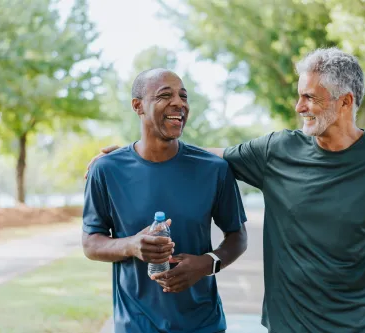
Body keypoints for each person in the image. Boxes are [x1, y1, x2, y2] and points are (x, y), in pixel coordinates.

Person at [86, 48, 365, 333]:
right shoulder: (277, 151)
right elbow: (204, 157)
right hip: (288, 326)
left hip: (363, 325)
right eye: (299, 96)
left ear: (345, 103)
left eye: (309, 97)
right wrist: (130, 152)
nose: (299, 107)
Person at [82, 68, 248, 333]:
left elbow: (237, 237)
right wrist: (132, 245)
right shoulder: (106, 170)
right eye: (165, 95)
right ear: (138, 106)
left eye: (183, 96)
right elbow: (91, 243)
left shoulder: (214, 169)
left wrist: (207, 263)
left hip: (204, 324)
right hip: (135, 325)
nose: (179, 103)